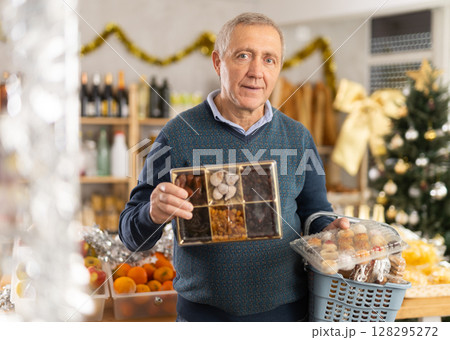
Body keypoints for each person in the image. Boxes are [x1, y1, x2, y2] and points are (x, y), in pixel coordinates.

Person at [119, 12, 349, 322]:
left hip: (286, 317)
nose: (257, 72)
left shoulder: (298, 137)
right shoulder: (177, 135)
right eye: (244, 56)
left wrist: (329, 231)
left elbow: (315, 213)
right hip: (202, 319)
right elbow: (132, 236)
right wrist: (152, 212)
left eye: (270, 60)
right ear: (218, 62)